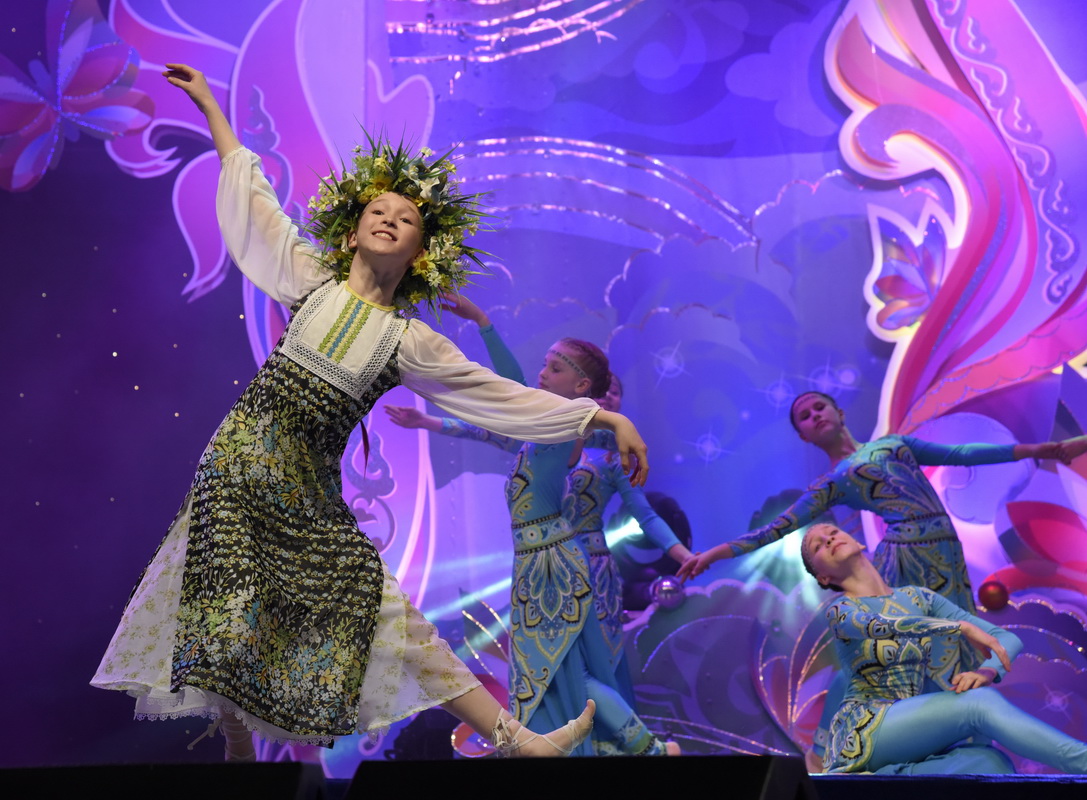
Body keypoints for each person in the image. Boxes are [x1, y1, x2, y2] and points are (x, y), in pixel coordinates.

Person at [91, 63, 654, 760]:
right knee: (224, 608)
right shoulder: (311, 281)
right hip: (236, 471)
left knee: (389, 616)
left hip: (308, 494)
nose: (389, 219)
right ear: (352, 232)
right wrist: (210, 106)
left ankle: (518, 742)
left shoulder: (408, 340)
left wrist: (605, 418)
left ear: (420, 253)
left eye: (406, 218)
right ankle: (236, 746)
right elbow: (254, 201)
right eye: (377, 212)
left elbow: (498, 396)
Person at [385, 302, 678, 756]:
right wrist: (431, 415)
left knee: (566, 674)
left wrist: (485, 324)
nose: (542, 374)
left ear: (581, 387)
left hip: (553, 563)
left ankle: (652, 751)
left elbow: (513, 389)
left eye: (555, 368)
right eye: (545, 364)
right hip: (536, 561)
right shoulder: (538, 430)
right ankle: (636, 751)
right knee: (557, 674)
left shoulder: (563, 425)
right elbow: (494, 418)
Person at [678, 391, 1058, 613]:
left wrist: (1036, 450)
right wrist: (714, 554)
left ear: (839, 413)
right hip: (907, 557)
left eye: (819, 407)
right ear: (804, 437)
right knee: (926, 641)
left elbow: (960, 454)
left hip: (947, 547)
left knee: (962, 633)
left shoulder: (894, 443)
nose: (814, 415)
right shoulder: (830, 484)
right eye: (805, 417)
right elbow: (776, 528)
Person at [801, 522, 1087, 774]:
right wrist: (958, 627)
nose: (829, 539)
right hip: (863, 730)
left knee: (991, 762)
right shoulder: (841, 610)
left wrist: (988, 671)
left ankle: (892, 777)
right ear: (823, 578)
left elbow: (1005, 639)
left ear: (859, 542)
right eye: (818, 546)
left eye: (833, 532)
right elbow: (879, 625)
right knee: (978, 705)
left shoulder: (918, 597)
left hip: (907, 727)